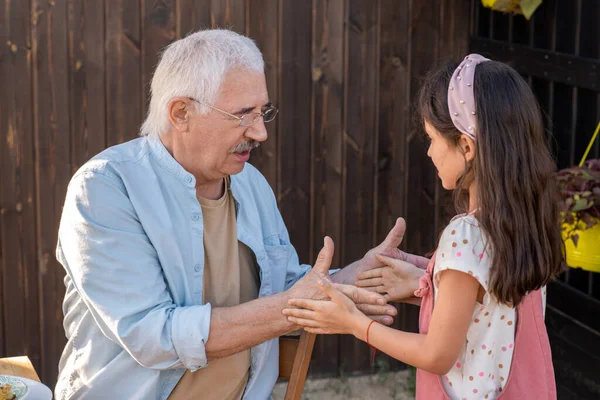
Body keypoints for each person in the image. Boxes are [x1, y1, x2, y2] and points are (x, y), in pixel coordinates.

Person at [54, 29, 402, 400]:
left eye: (263, 111)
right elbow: (151, 335)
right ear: (181, 113)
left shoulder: (250, 183)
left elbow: (284, 287)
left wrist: (357, 277)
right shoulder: (105, 189)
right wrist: (293, 306)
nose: (260, 132)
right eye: (243, 115)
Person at [283, 54, 564, 399]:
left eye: (432, 139)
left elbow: (437, 355)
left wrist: (354, 323)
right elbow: (485, 310)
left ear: (466, 146)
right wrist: (424, 283)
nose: (429, 152)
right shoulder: (525, 224)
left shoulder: (466, 234)